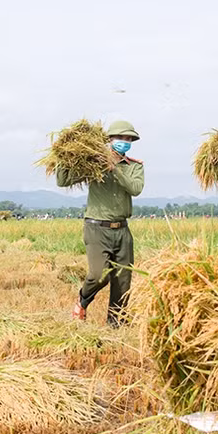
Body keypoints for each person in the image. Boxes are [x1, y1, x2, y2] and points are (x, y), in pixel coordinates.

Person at [56, 121, 144, 327]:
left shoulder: (135, 166)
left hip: (122, 230)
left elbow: (136, 188)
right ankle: (82, 300)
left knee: (123, 280)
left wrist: (115, 169)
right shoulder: (93, 164)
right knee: (99, 274)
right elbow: (63, 181)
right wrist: (64, 156)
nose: (126, 142)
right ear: (110, 139)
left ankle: (117, 323)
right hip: (96, 229)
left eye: (129, 139)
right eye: (122, 138)